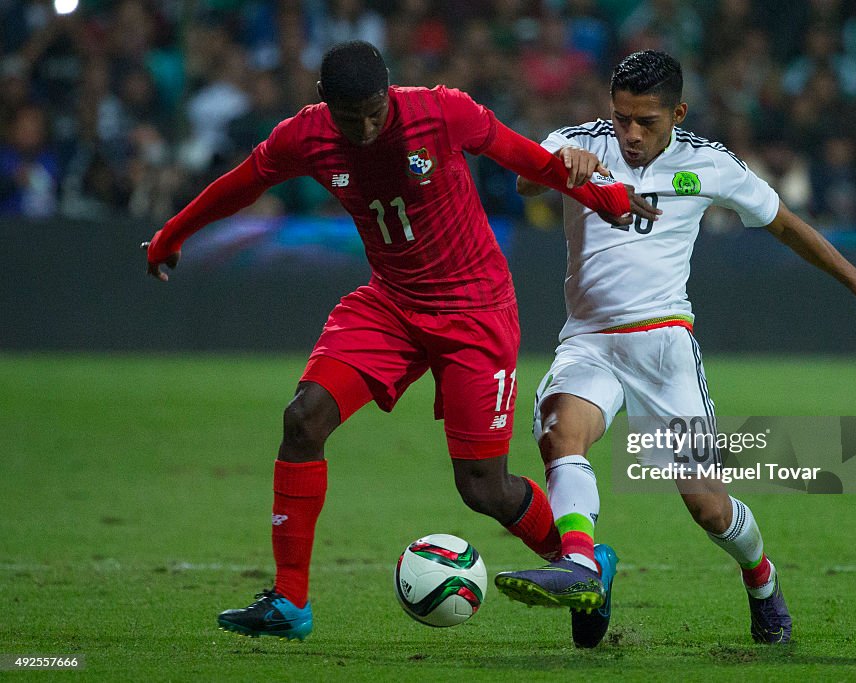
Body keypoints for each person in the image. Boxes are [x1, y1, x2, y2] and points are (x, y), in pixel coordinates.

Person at [141, 41, 657, 641]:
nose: (363, 126)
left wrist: (609, 198)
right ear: (323, 106)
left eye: (373, 110)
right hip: (391, 303)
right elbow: (241, 184)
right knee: (303, 419)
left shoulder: (442, 112)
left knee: (481, 486)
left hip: (475, 312)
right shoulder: (304, 136)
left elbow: (529, 161)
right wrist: (172, 233)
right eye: (348, 115)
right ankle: (289, 601)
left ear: (389, 91)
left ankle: (588, 565)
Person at [494, 50, 856, 648]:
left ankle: (761, 576)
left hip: (665, 351)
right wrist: (563, 165)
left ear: (679, 112)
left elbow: (786, 224)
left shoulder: (710, 164)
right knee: (560, 431)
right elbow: (520, 176)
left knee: (709, 508)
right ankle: (584, 567)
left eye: (646, 121)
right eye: (621, 119)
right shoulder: (577, 141)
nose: (631, 134)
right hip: (589, 341)